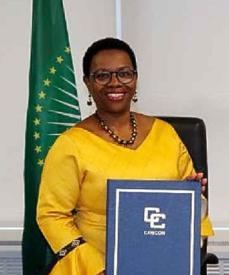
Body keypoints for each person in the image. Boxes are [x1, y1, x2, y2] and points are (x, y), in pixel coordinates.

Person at [36, 37, 214, 275]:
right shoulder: (70, 145)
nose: (114, 83)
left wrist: (190, 198)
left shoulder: (165, 134)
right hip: (94, 267)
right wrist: (97, 267)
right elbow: (52, 216)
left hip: (163, 264)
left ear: (135, 79)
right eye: (102, 75)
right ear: (87, 83)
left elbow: (194, 208)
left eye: (124, 74)